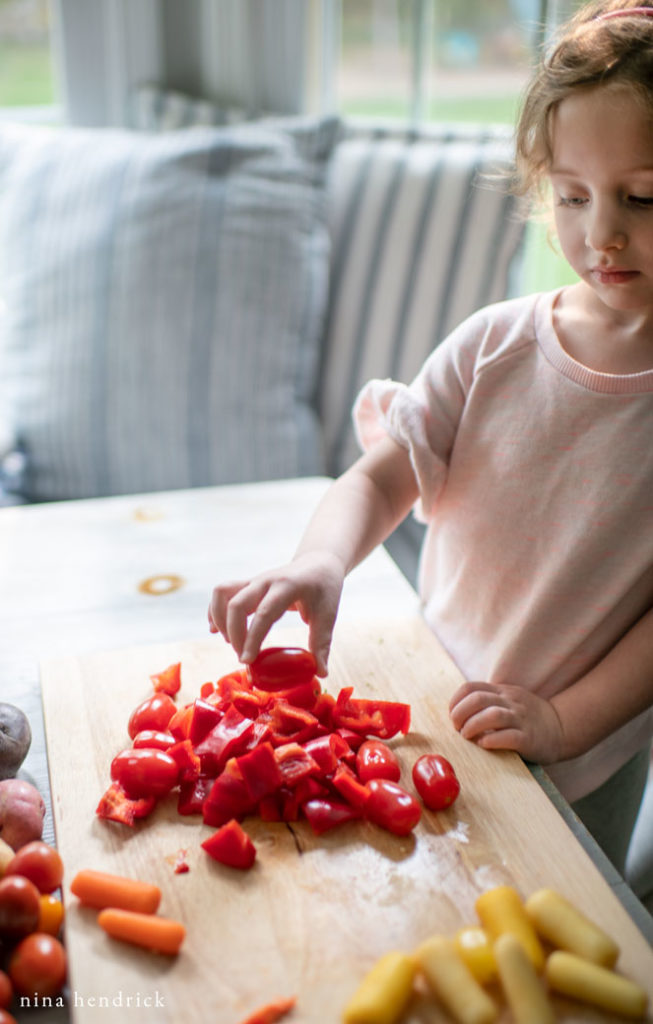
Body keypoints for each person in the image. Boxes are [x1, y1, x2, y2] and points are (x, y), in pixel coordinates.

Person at [209, 0, 653, 875]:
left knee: (563, 955)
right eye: (571, 195)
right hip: (427, 704)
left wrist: (564, 723)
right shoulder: (493, 345)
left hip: (582, 749)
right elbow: (379, 480)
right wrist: (322, 561)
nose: (600, 232)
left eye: (642, 196)